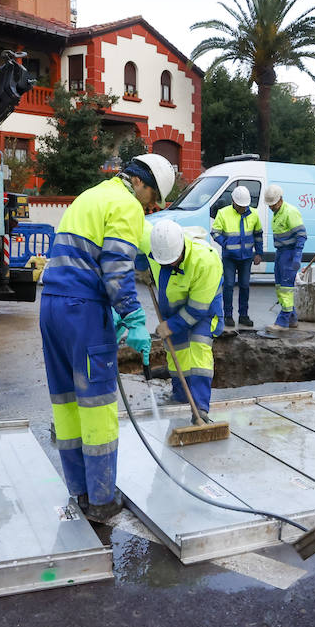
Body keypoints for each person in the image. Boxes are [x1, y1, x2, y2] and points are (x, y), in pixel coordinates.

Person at [38, 153, 175, 522]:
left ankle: (80, 491)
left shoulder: (91, 196)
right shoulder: (126, 205)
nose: (151, 208)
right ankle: (101, 500)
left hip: (51, 306)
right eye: (153, 200)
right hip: (82, 311)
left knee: (66, 404)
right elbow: (115, 270)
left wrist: (111, 309)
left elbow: (88, 258)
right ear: (143, 185)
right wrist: (131, 316)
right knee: (97, 406)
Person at [147, 219, 223, 412]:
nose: (170, 264)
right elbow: (139, 248)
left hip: (203, 305)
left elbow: (197, 310)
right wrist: (141, 267)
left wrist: (170, 325)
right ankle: (181, 397)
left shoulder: (206, 261)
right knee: (177, 351)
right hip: (174, 309)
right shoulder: (156, 243)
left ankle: (200, 408)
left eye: (173, 260)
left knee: (199, 348)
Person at [211, 185, 263, 328]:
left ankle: (243, 315)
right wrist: (225, 243)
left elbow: (258, 234)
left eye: (245, 206)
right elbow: (215, 232)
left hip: (246, 258)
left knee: (245, 286)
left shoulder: (253, 214)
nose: (243, 209)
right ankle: (228, 315)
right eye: (240, 206)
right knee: (228, 285)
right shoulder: (223, 213)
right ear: (233, 201)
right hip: (230, 257)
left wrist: (258, 253)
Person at [263, 184, 307, 329]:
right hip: (281, 253)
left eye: (273, 204)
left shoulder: (290, 212)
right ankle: (292, 318)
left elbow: (301, 236)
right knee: (279, 287)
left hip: (289, 254)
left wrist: (297, 257)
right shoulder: (278, 213)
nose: (271, 207)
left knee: (286, 289)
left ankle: (282, 322)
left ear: (280, 200)